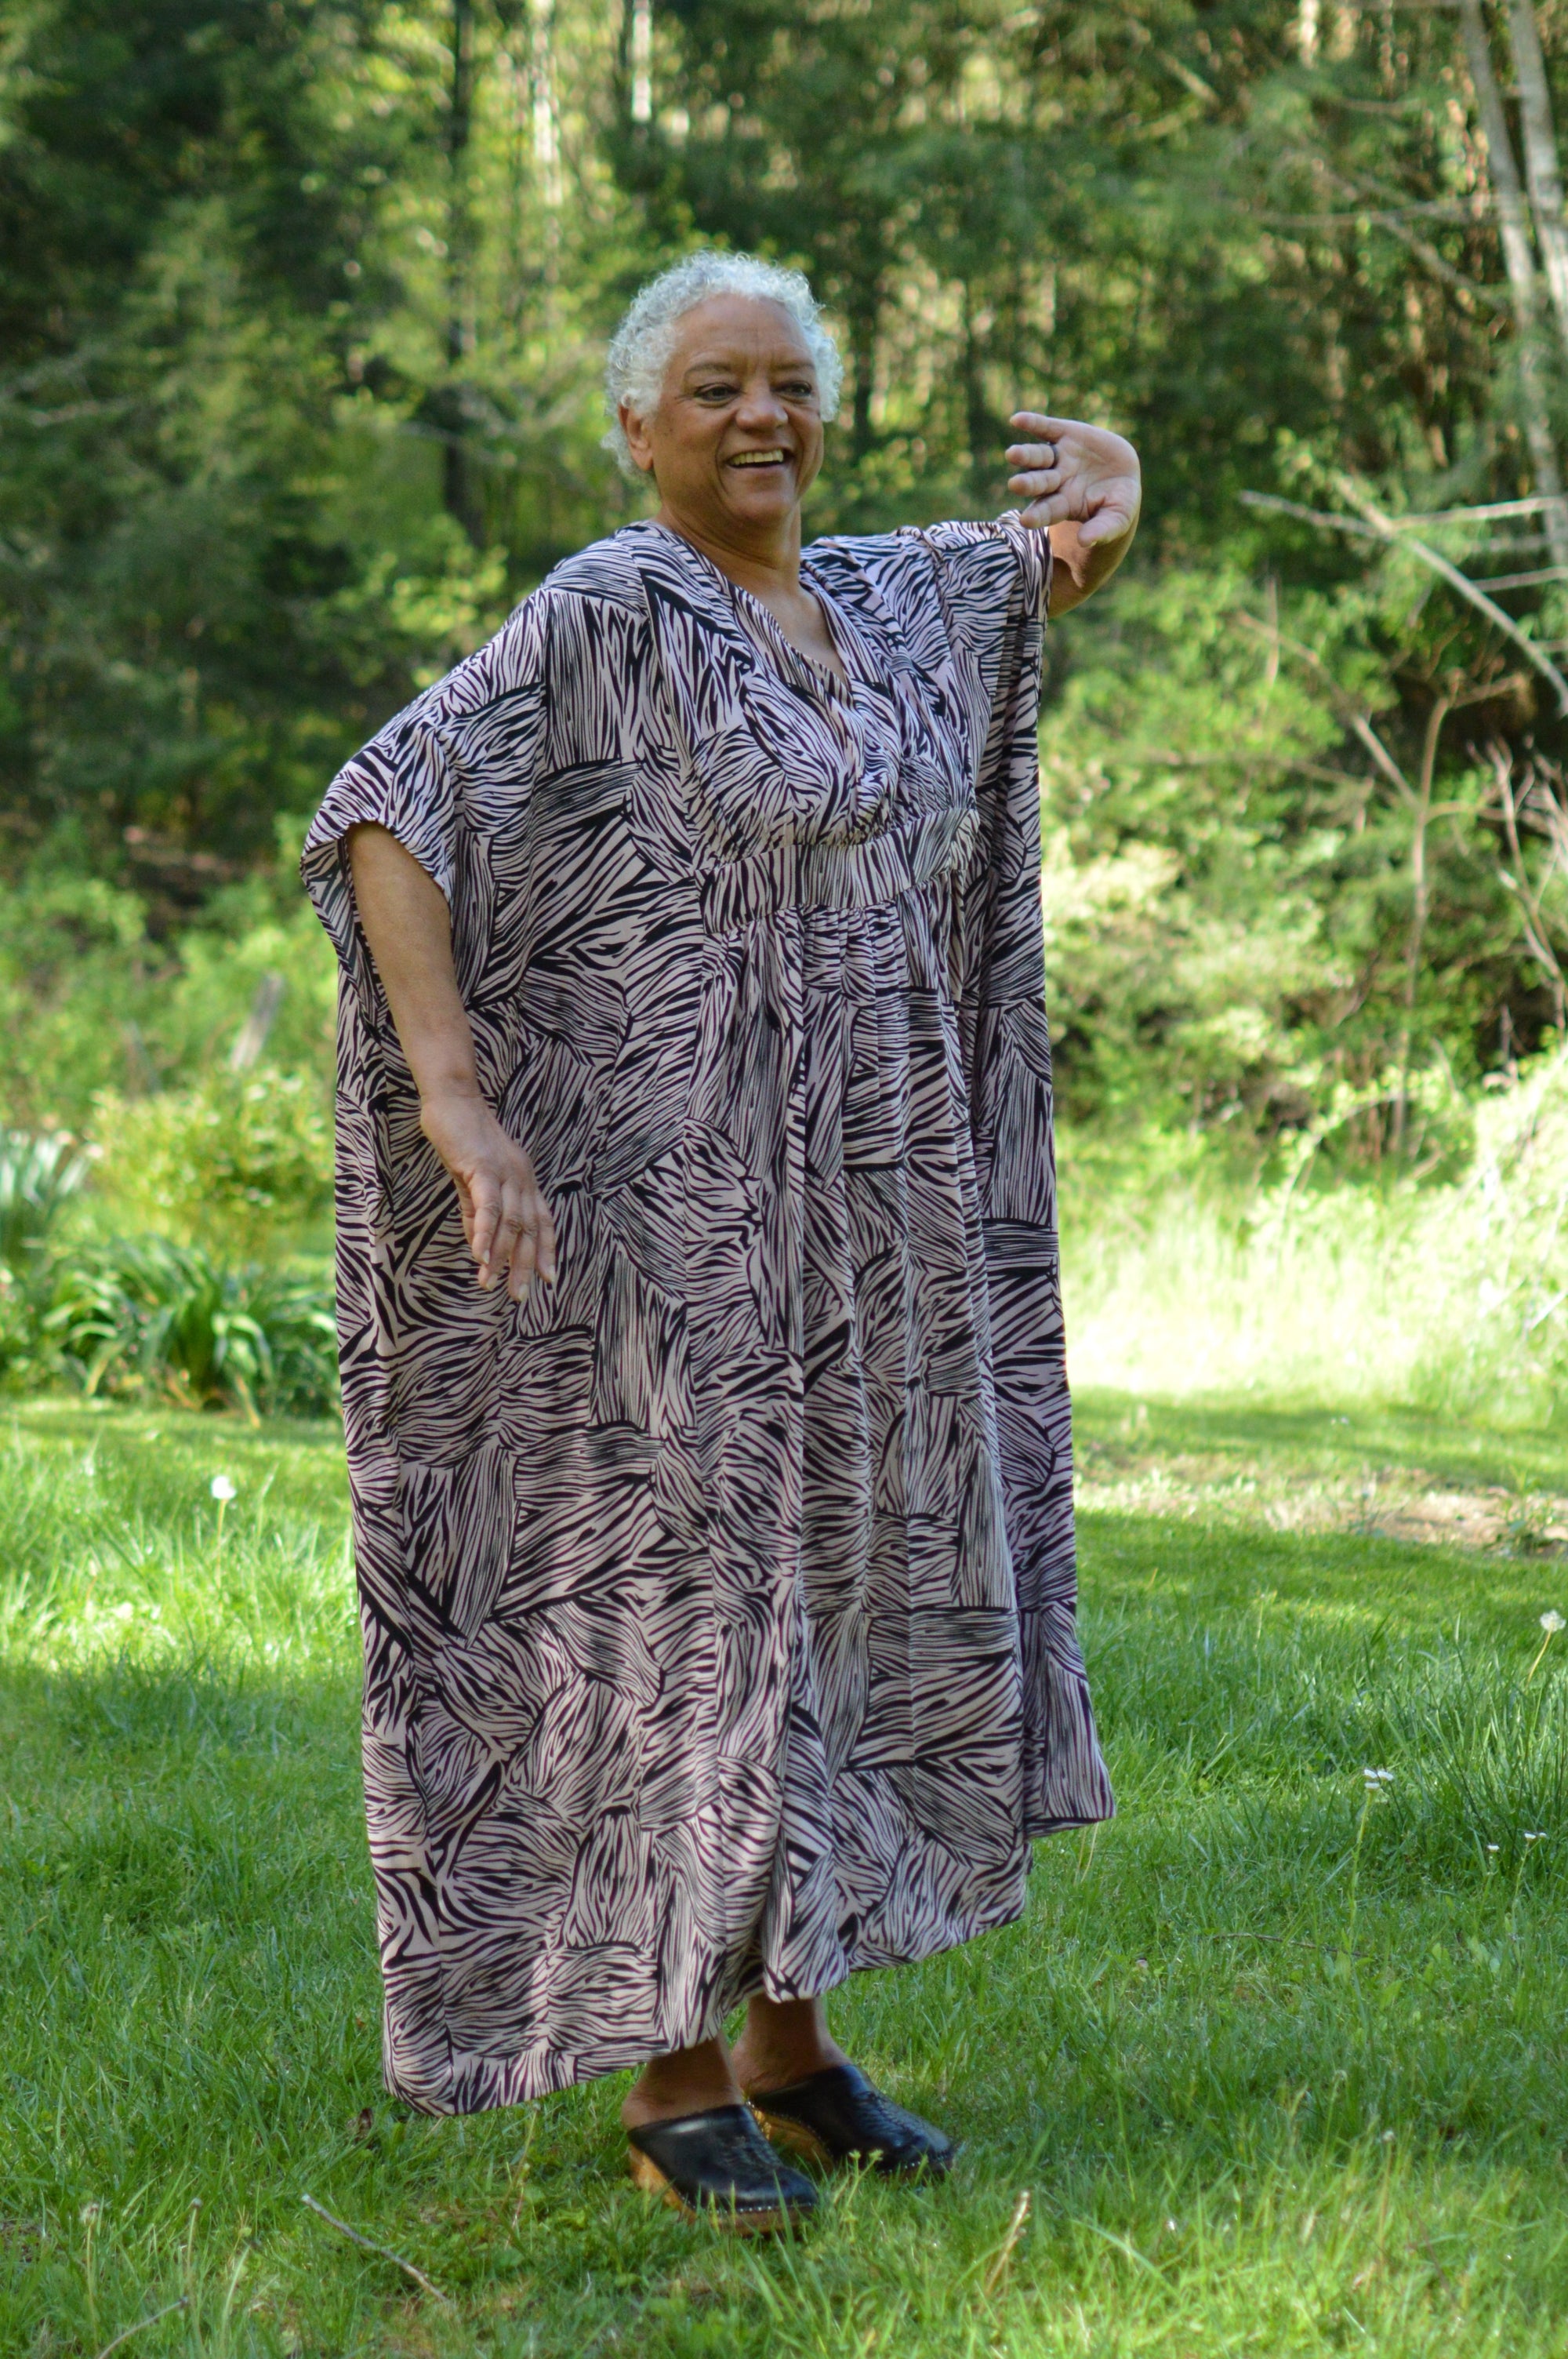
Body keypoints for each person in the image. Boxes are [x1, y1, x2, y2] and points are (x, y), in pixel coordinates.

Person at [303, 250, 1136, 2234]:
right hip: (668, 1246)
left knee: (835, 1600)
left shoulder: (875, 602)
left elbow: (1059, 554)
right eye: (713, 390)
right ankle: (670, 2074)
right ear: (633, 426)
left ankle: (792, 2044)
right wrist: (455, 1094)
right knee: (687, 1633)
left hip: (878, 1236)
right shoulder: (609, 613)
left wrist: (1119, 485)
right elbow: (386, 802)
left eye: (787, 386)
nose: (758, 419)